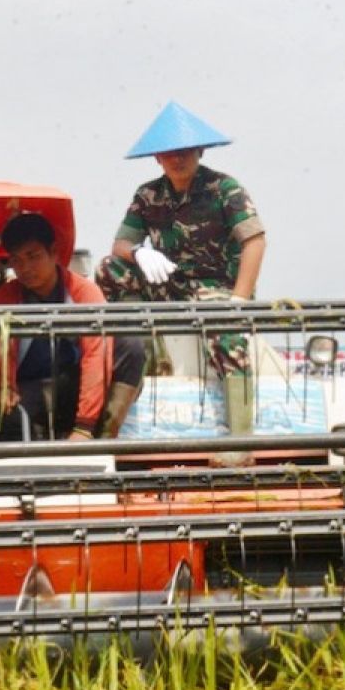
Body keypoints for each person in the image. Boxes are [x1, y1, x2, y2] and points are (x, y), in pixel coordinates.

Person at [95, 101, 266, 465]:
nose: (177, 159)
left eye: (185, 151)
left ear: (199, 151)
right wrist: (139, 253)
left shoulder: (224, 189)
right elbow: (120, 245)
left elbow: (255, 241)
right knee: (108, 269)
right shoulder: (148, 195)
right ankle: (140, 348)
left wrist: (239, 300)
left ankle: (240, 442)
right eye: (169, 153)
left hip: (216, 286)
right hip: (169, 283)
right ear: (157, 158)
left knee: (227, 329)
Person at [0, 212, 145, 440]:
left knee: (130, 343)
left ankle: (103, 439)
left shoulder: (83, 292)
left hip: (75, 384)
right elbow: (1, 354)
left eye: (33, 256)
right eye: (17, 260)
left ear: (54, 253)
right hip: (30, 386)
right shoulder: (5, 297)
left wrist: (85, 427)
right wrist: (4, 389)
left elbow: (95, 357)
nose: (25, 267)